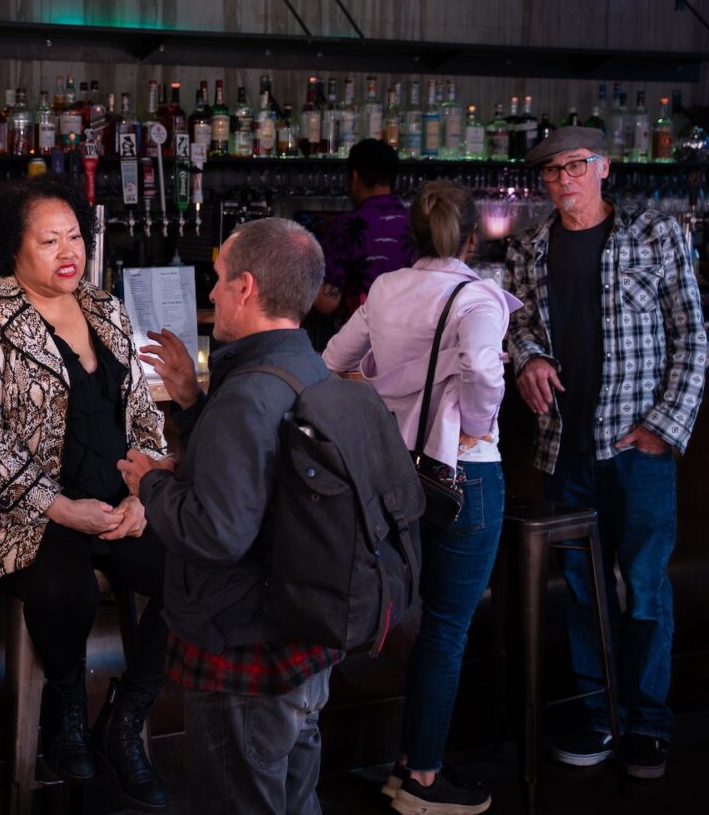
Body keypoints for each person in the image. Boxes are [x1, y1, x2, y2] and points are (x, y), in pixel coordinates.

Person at [0, 174, 173, 810]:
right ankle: (67, 712)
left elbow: (145, 415)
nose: (69, 252)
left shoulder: (105, 308)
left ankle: (125, 717)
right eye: (49, 240)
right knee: (69, 586)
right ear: (11, 247)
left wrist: (145, 492)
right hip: (13, 512)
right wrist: (59, 506)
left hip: (114, 503)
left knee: (197, 567)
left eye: (75, 237)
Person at [506, 126, 706, 780]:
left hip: (638, 447)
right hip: (565, 447)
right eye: (552, 171)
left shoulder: (655, 233)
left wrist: (663, 426)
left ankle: (648, 722)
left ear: (603, 167)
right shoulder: (529, 245)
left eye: (576, 166)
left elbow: (692, 335)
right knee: (585, 594)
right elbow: (517, 323)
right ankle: (599, 716)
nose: (564, 179)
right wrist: (528, 358)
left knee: (643, 588)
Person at [122, 217, 336, 815]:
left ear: (246, 287)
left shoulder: (246, 394)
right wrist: (192, 402)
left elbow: (215, 534)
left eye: (218, 279)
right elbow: (251, 476)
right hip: (302, 639)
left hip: (245, 645)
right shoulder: (305, 365)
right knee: (296, 800)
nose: (211, 292)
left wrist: (152, 484)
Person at [324, 182, 520, 815]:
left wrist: (381, 394)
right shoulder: (476, 296)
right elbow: (484, 369)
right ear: (472, 238)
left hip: (395, 477)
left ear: (413, 234)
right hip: (464, 476)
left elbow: (331, 359)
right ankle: (423, 781)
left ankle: (408, 762)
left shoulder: (385, 288)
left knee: (407, 615)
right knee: (447, 629)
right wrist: (478, 422)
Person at [314, 138, 416, 324]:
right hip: (411, 336)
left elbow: (326, 302)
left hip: (357, 339)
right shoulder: (417, 224)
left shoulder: (346, 227)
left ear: (354, 177)